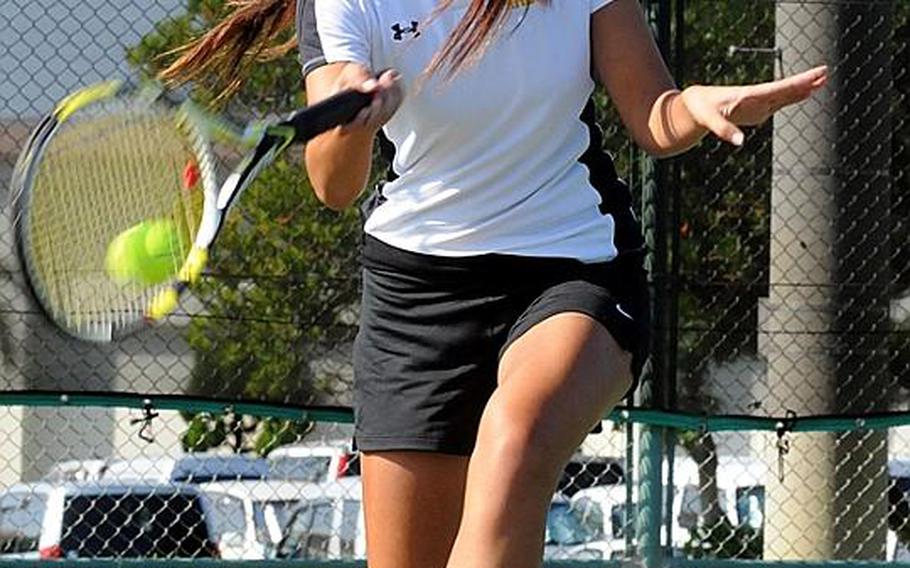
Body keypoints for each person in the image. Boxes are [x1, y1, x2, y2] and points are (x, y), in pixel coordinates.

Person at [163, 1, 827, 566]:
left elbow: (654, 115)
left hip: (574, 268)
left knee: (516, 438)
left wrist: (692, 104)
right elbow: (334, 185)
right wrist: (354, 117)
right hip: (415, 295)